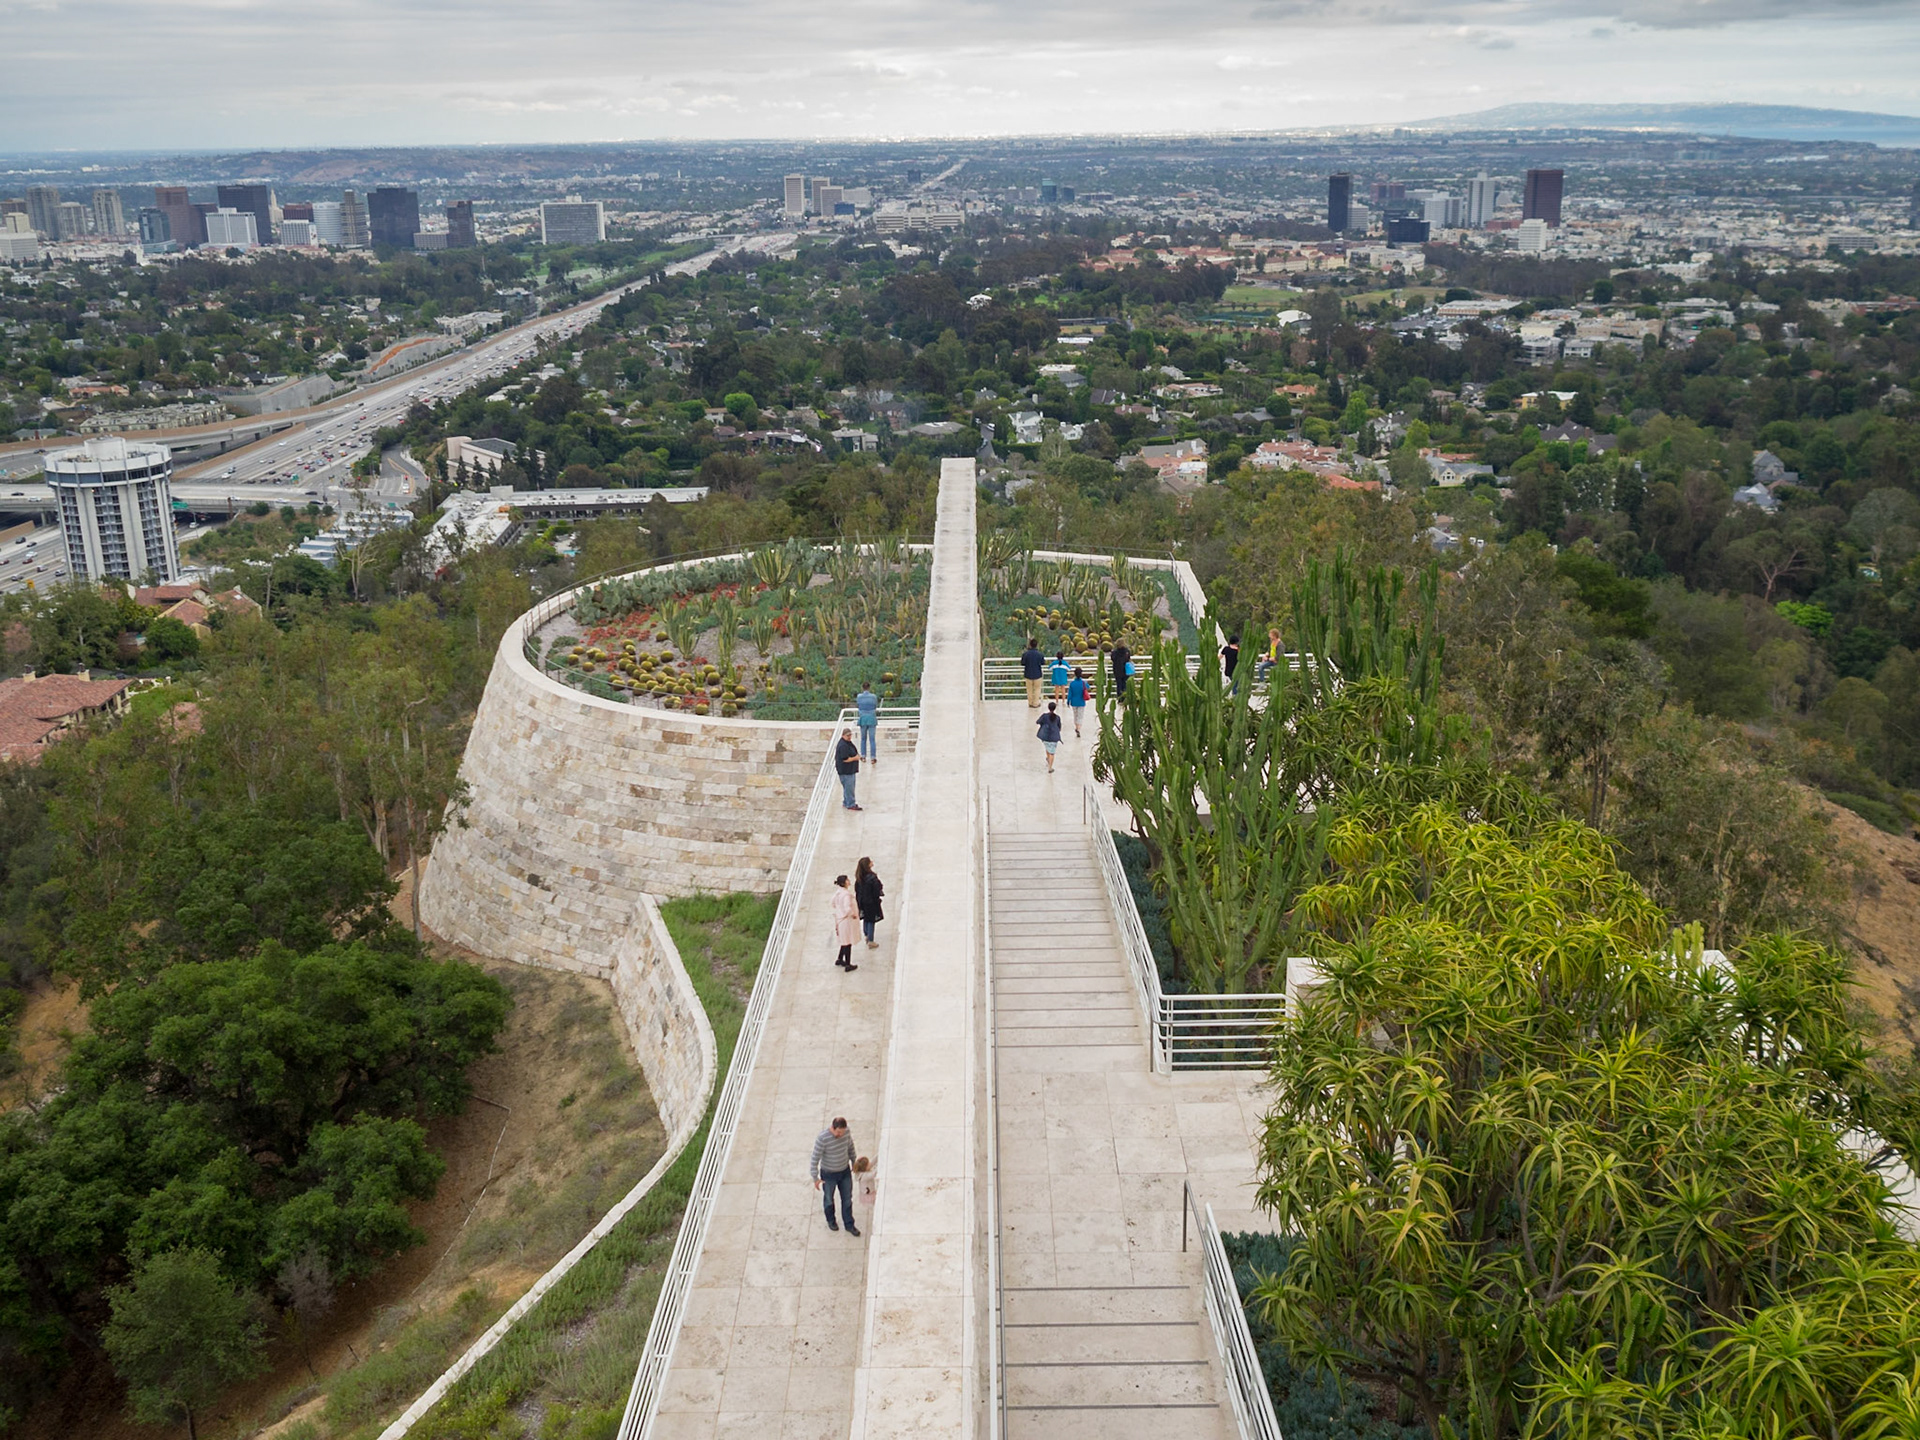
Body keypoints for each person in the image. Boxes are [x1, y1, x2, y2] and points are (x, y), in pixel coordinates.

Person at [811, 1116, 860, 1235]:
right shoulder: (823, 1138)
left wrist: (854, 1162)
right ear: (833, 1128)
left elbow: (850, 1148)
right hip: (828, 1174)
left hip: (844, 1171)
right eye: (838, 1132)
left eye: (842, 1132)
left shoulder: (846, 1133)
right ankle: (831, 1220)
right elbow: (815, 1159)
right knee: (829, 1199)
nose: (840, 1135)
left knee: (847, 1199)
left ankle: (849, 1224)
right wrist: (815, 1178)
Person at [854, 856, 885, 950]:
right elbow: (877, 889)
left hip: (862, 902)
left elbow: (857, 890)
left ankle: (866, 934)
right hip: (871, 902)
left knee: (866, 919)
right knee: (871, 920)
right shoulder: (872, 877)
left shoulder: (859, 877)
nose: (872, 862)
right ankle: (870, 940)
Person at [830, 874, 860, 971]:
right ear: (844, 883)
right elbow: (848, 908)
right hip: (846, 920)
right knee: (848, 942)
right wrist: (853, 914)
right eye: (847, 880)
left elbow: (832, 903)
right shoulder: (846, 895)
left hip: (839, 919)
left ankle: (839, 959)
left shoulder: (838, 893)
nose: (849, 881)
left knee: (843, 940)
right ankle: (848, 964)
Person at [834, 728, 862, 811]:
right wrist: (855, 758)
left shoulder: (847, 743)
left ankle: (846, 802)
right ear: (843, 735)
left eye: (850, 735)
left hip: (848, 770)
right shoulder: (843, 745)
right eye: (847, 735)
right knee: (849, 788)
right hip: (846, 771)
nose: (849, 737)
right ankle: (850, 804)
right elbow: (845, 759)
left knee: (847, 788)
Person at [855, 682, 879, 765]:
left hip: (863, 718)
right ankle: (873, 757)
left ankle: (863, 756)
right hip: (872, 718)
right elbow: (875, 706)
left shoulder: (859, 696)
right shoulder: (873, 697)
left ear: (862, 688)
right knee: (872, 739)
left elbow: (858, 705)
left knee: (863, 739)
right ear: (869, 688)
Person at [1036, 702, 1063, 773]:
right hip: (1054, 737)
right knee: (1052, 752)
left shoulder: (1044, 716)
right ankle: (1050, 767)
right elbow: (1059, 727)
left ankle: (1048, 759)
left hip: (1045, 736)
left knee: (1048, 747)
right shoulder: (1057, 718)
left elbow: (1038, 721)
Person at [1020, 637, 1045, 708]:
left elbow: (1022, 663)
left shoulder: (1026, 654)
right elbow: (1043, 663)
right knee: (1037, 689)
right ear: (1036, 645)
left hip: (1028, 674)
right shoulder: (1040, 654)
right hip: (1037, 674)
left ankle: (1030, 703)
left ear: (1030, 645)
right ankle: (1036, 703)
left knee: (1029, 689)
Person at [1066, 667, 1090, 737]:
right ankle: (1078, 729)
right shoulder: (1083, 683)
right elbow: (1088, 687)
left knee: (1075, 715)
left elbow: (1070, 693)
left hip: (1074, 701)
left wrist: (1068, 701)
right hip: (1081, 701)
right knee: (1080, 716)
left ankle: (1076, 726)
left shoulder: (1072, 683)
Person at [854, 1154, 877, 1219]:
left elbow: (872, 1161)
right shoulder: (864, 1177)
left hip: (868, 1192)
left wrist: (878, 1155)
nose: (870, 1163)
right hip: (868, 1194)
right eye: (868, 1164)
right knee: (873, 1205)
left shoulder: (863, 1171)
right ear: (865, 1168)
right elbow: (874, 1174)